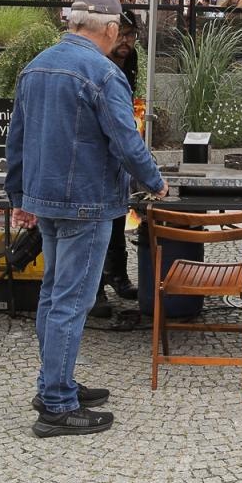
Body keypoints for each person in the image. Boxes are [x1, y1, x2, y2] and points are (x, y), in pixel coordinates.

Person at [6, 0, 167, 438]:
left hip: (46, 199)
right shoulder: (104, 73)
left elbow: (16, 139)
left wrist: (19, 197)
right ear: (111, 29)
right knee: (71, 301)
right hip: (87, 201)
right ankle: (57, 404)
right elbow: (126, 141)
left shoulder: (35, 66)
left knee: (54, 294)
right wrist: (154, 180)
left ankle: (53, 385)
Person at [99, 21, 142, 304]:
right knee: (98, 222)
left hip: (118, 152)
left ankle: (117, 275)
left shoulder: (131, 60)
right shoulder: (99, 62)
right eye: (121, 34)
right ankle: (96, 287)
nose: (126, 41)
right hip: (97, 153)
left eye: (131, 35)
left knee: (118, 215)